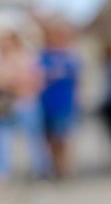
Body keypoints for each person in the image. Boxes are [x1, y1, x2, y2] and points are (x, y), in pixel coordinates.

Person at [0, 32, 52, 184]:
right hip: (5, 105)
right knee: (0, 138)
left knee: (34, 139)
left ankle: (42, 170)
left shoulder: (27, 58)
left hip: (26, 103)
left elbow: (36, 81)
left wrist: (14, 83)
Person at [38, 18, 80, 178]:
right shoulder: (42, 55)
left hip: (65, 102)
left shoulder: (70, 56)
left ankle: (64, 168)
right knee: (49, 137)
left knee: (63, 137)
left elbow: (77, 81)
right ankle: (53, 166)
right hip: (47, 101)